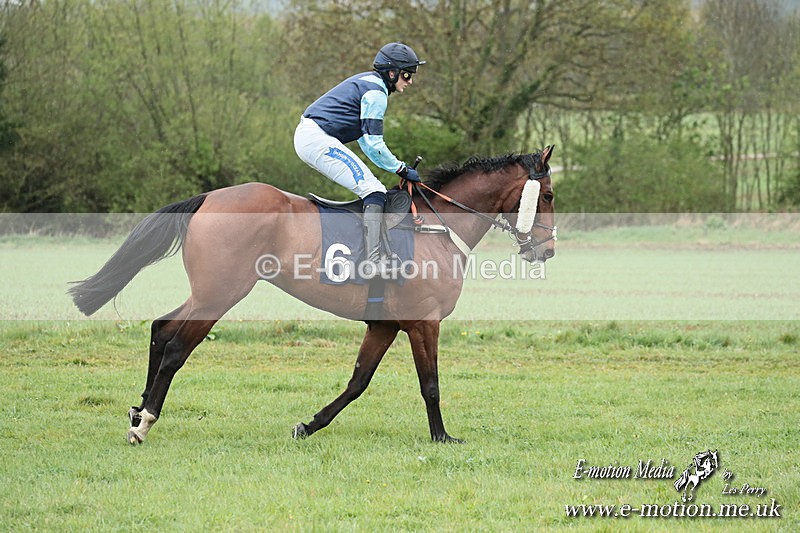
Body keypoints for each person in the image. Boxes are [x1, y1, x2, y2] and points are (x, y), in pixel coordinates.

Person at [294, 42, 425, 278]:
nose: (410, 81)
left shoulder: (371, 83)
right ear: (392, 72)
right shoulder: (376, 93)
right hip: (316, 138)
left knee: (372, 187)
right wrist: (401, 168)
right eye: (407, 74)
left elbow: (366, 142)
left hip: (312, 136)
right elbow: (374, 143)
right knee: (373, 190)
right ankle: (373, 262)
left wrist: (397, 168)